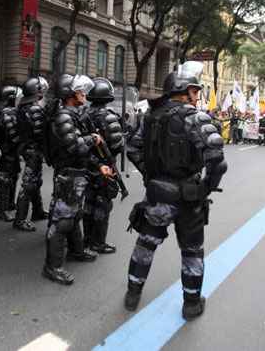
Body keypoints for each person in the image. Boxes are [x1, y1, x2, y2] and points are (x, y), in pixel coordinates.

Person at [124, 62, 227, 319]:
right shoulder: (195, 117)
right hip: (189, 197)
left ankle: (132, 294)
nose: (197, 95)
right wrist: (206, 188)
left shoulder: (151, 116)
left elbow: (134, 149)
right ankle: (191, 304)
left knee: (145, 244)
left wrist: (151, 176)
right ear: (186, 90)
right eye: (195, 90)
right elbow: (218, 161)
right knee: (192, 251)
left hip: (158, 194)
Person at [42, 74, 111, 285]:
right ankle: (52, 267)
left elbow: (82, 151)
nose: (84, 94)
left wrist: (99, 165)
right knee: (61, 221)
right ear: (69, 95)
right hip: (68, 176)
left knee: (74, 215)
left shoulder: (73, 115)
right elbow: (75, 147)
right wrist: (93, 138)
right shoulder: (64, 116)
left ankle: (76, 251)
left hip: (77, 173)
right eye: (80, 91)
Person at [84, 77, 124, 254]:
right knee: (103, 204)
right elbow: (117, 145)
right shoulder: (109, 117)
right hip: (104, 167)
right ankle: (98, 242)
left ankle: (87, 239)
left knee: (89, 203)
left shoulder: (83, 114)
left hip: (87, 166)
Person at [14, 76, 49, 232]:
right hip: (33, 149)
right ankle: (20, 219)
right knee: (28, 184)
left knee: (35, 180)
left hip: (27, 148)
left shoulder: (23, 106)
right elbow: (40, 132)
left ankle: (38, 211)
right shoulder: (34, 108)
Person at [0, 86, 22, 222]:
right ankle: (2, 210)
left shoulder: (2, 110)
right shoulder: (6, 112)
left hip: (10, 150)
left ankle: (10, 204)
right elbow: (12, 134)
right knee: (5, 180)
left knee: (13, 176)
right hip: (6, 150)